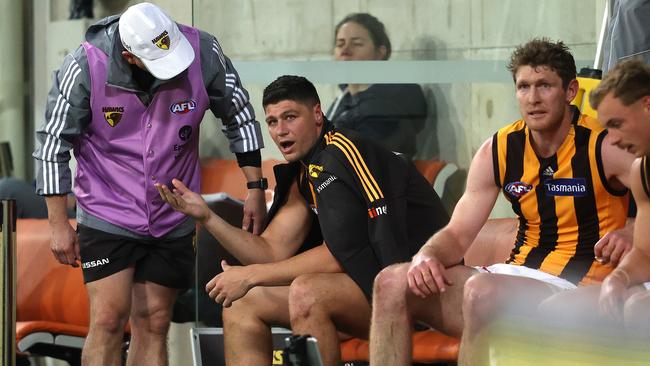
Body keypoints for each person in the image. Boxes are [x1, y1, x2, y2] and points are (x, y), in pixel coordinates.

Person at [368, 38, 636, 366]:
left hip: (574, 287)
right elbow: (457, 234)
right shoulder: (499, 148)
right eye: (523, 87)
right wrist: (428, 255)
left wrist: (632, 231)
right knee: (391, 282)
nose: (533, 98)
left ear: (570, 91)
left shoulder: (603, 144)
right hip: (509, 276)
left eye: (544, 86)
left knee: (482, 291)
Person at [156, 75, 449, 365]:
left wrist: (250, 275)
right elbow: (271, 251)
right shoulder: (304, 171)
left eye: (290, 117)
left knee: (307, 292)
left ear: (317, 114)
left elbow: (341, 253)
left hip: (416, 291)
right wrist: (207, 217)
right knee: (243, 303)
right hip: (367, 287)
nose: (281, 131)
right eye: (272, 122)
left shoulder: (339, 155)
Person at [32, 3, 266, 365]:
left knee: (155, 321)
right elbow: (52, 144)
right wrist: (58, 224)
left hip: (173, 213)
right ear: (129, 57)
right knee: (109, 319)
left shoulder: (203, 50)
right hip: (107, 209)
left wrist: (255, 186)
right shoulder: (84, 65)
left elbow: (238, 111)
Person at [538, 59, 650, 338]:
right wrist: (618, 279)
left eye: (616, 124)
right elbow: (645, 253)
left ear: (647, 105)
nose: (610, 140)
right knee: (553, 311)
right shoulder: (642, 171)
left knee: (639, 309)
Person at [327, 13, 428, 158]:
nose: (345, 51)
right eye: (340, 44)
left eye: (357, 43)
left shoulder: (392, 99)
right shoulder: (344, 99)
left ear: (380, 52)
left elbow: (359, 155)